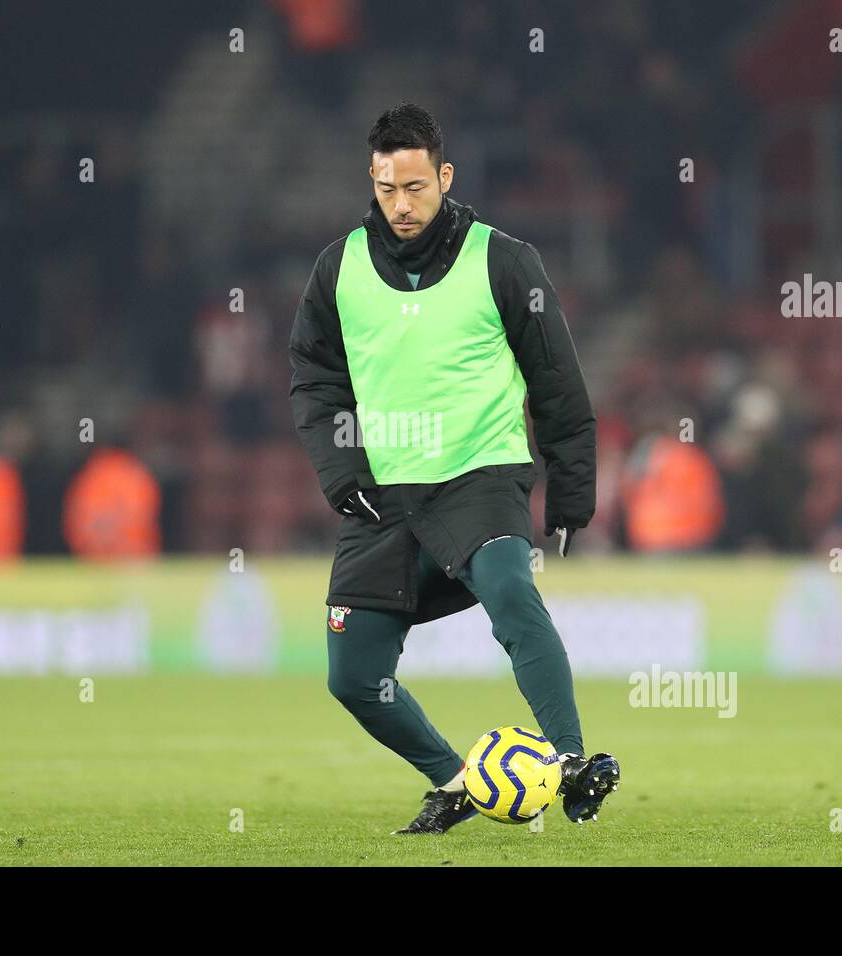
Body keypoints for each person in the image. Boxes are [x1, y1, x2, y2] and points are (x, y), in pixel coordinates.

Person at [288, 103, 619, 834]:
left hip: (482, 475)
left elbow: (557, 380)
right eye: (386, 189)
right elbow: (313, 379)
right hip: (381, 497)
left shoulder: (504, 259)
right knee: (353, 679)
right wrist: (343, 474)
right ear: (371, 182)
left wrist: (570, 493)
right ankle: (459, 782)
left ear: (444, 176)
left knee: (510, 591)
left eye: (415, 187)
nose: (401, 205)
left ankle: (569, 763)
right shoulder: (335, 269)